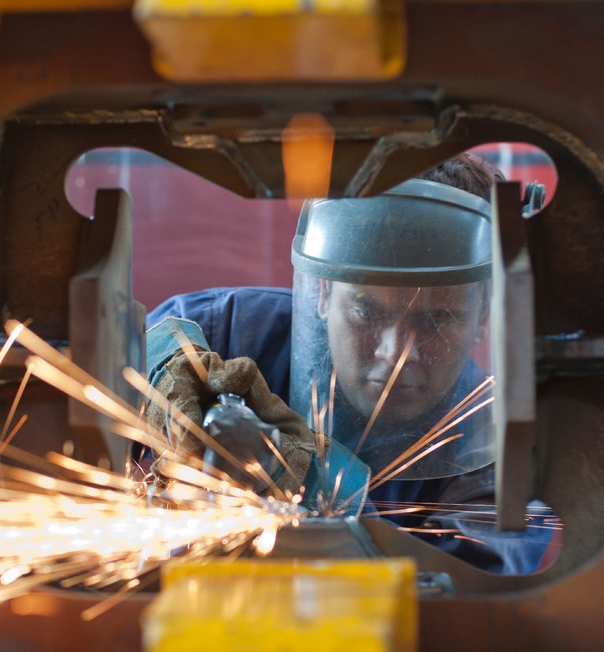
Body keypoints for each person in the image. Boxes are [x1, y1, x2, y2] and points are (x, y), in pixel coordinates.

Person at [143, 154, 555, 574]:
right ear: (322, 293)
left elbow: (465, 600)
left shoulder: (498, 460)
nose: (396, 354)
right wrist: (167, 376)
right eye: (366, 312)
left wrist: (305, 480)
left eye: (437, 319)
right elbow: (150, 338)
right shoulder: (234, 331)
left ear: (484, 315)